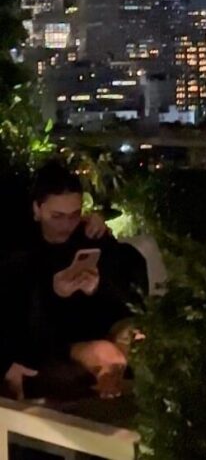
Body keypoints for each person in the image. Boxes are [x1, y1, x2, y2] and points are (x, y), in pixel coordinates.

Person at [1, 161, 147, 401]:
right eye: (57, 216)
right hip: (62, 338)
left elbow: (128, 289)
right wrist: (55, 291)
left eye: (74, 215)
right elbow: (21, 315)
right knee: (105, 353)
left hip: (102, 324)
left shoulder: (89, 237)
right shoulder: (20, 251)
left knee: (138, 339)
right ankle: (109, 378)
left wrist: (97, 287)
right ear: (37, 210)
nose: (66, 225)